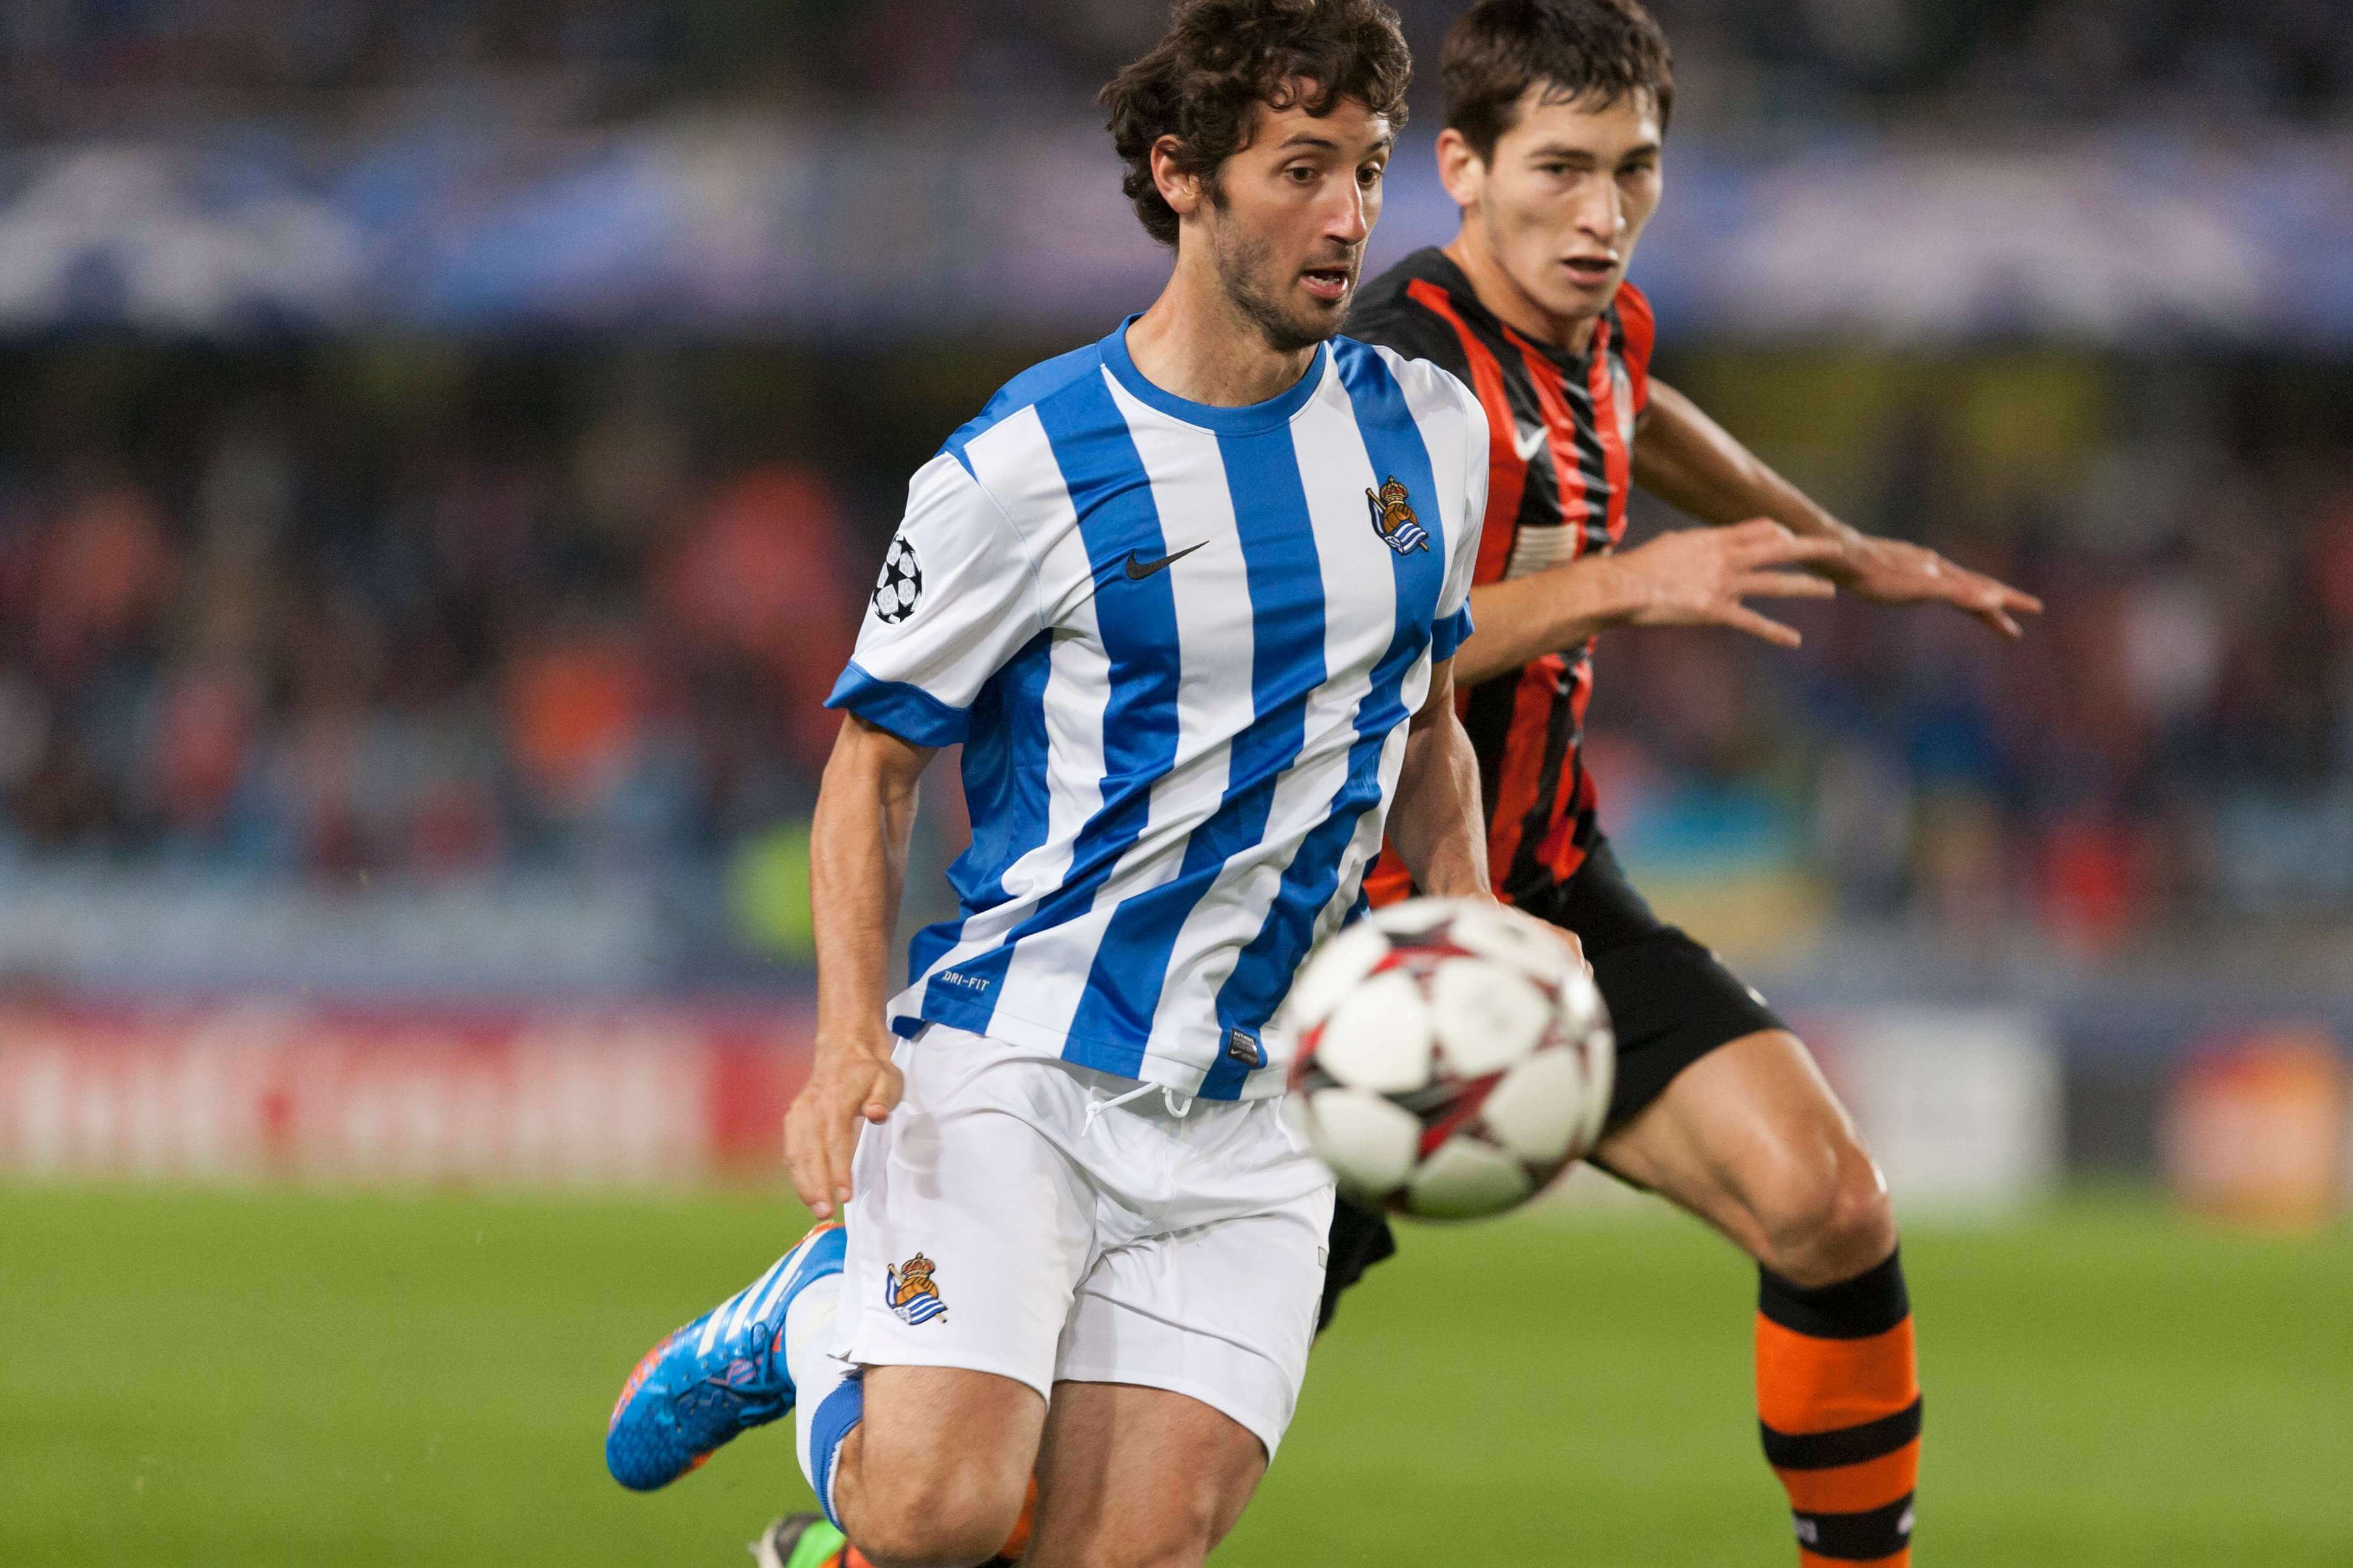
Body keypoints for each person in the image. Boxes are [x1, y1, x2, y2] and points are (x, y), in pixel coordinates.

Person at [602, 4, 1516, 1566]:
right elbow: (874, 766)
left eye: (1366, 168)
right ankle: (813, 1312)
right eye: (1300, 169)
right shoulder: (1024, 464)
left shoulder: (1428, 433)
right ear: (1181, 176)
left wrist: (1476, 931)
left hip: (1260, 1107)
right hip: (1020, 1060)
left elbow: (1425, 715)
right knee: (944, 1513)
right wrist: (843, 1047)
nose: (1350, 215)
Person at [1326, 3, 2043, 1565]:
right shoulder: (1391, 373)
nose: (1602, 218)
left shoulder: (1598, 332)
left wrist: (1834, 551)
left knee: (1829, 1205)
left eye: (1634, 172)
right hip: (1351, 944)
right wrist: (1622, 586)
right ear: (1460, 165)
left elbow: (1637, 416)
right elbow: (1356, 664)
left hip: (1555, 888)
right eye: (1562, 172)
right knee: (1142, 1445)